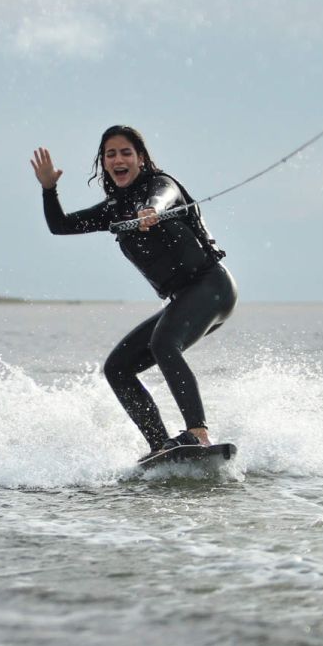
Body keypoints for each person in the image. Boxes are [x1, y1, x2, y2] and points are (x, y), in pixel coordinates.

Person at [30, 125, 237, 458]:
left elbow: (163, 197)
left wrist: (152, 210)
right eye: (110, 154)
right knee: (118, 368)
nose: (118, 159)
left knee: (163, 343)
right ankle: (159, 447)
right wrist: (49, 189)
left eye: (126, 152)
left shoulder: (161, 185)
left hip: (212, 286)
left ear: (140, 158)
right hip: (183, 299)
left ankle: (198, 435)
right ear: (104, 163)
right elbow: (60, 226)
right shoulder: (114, 209)